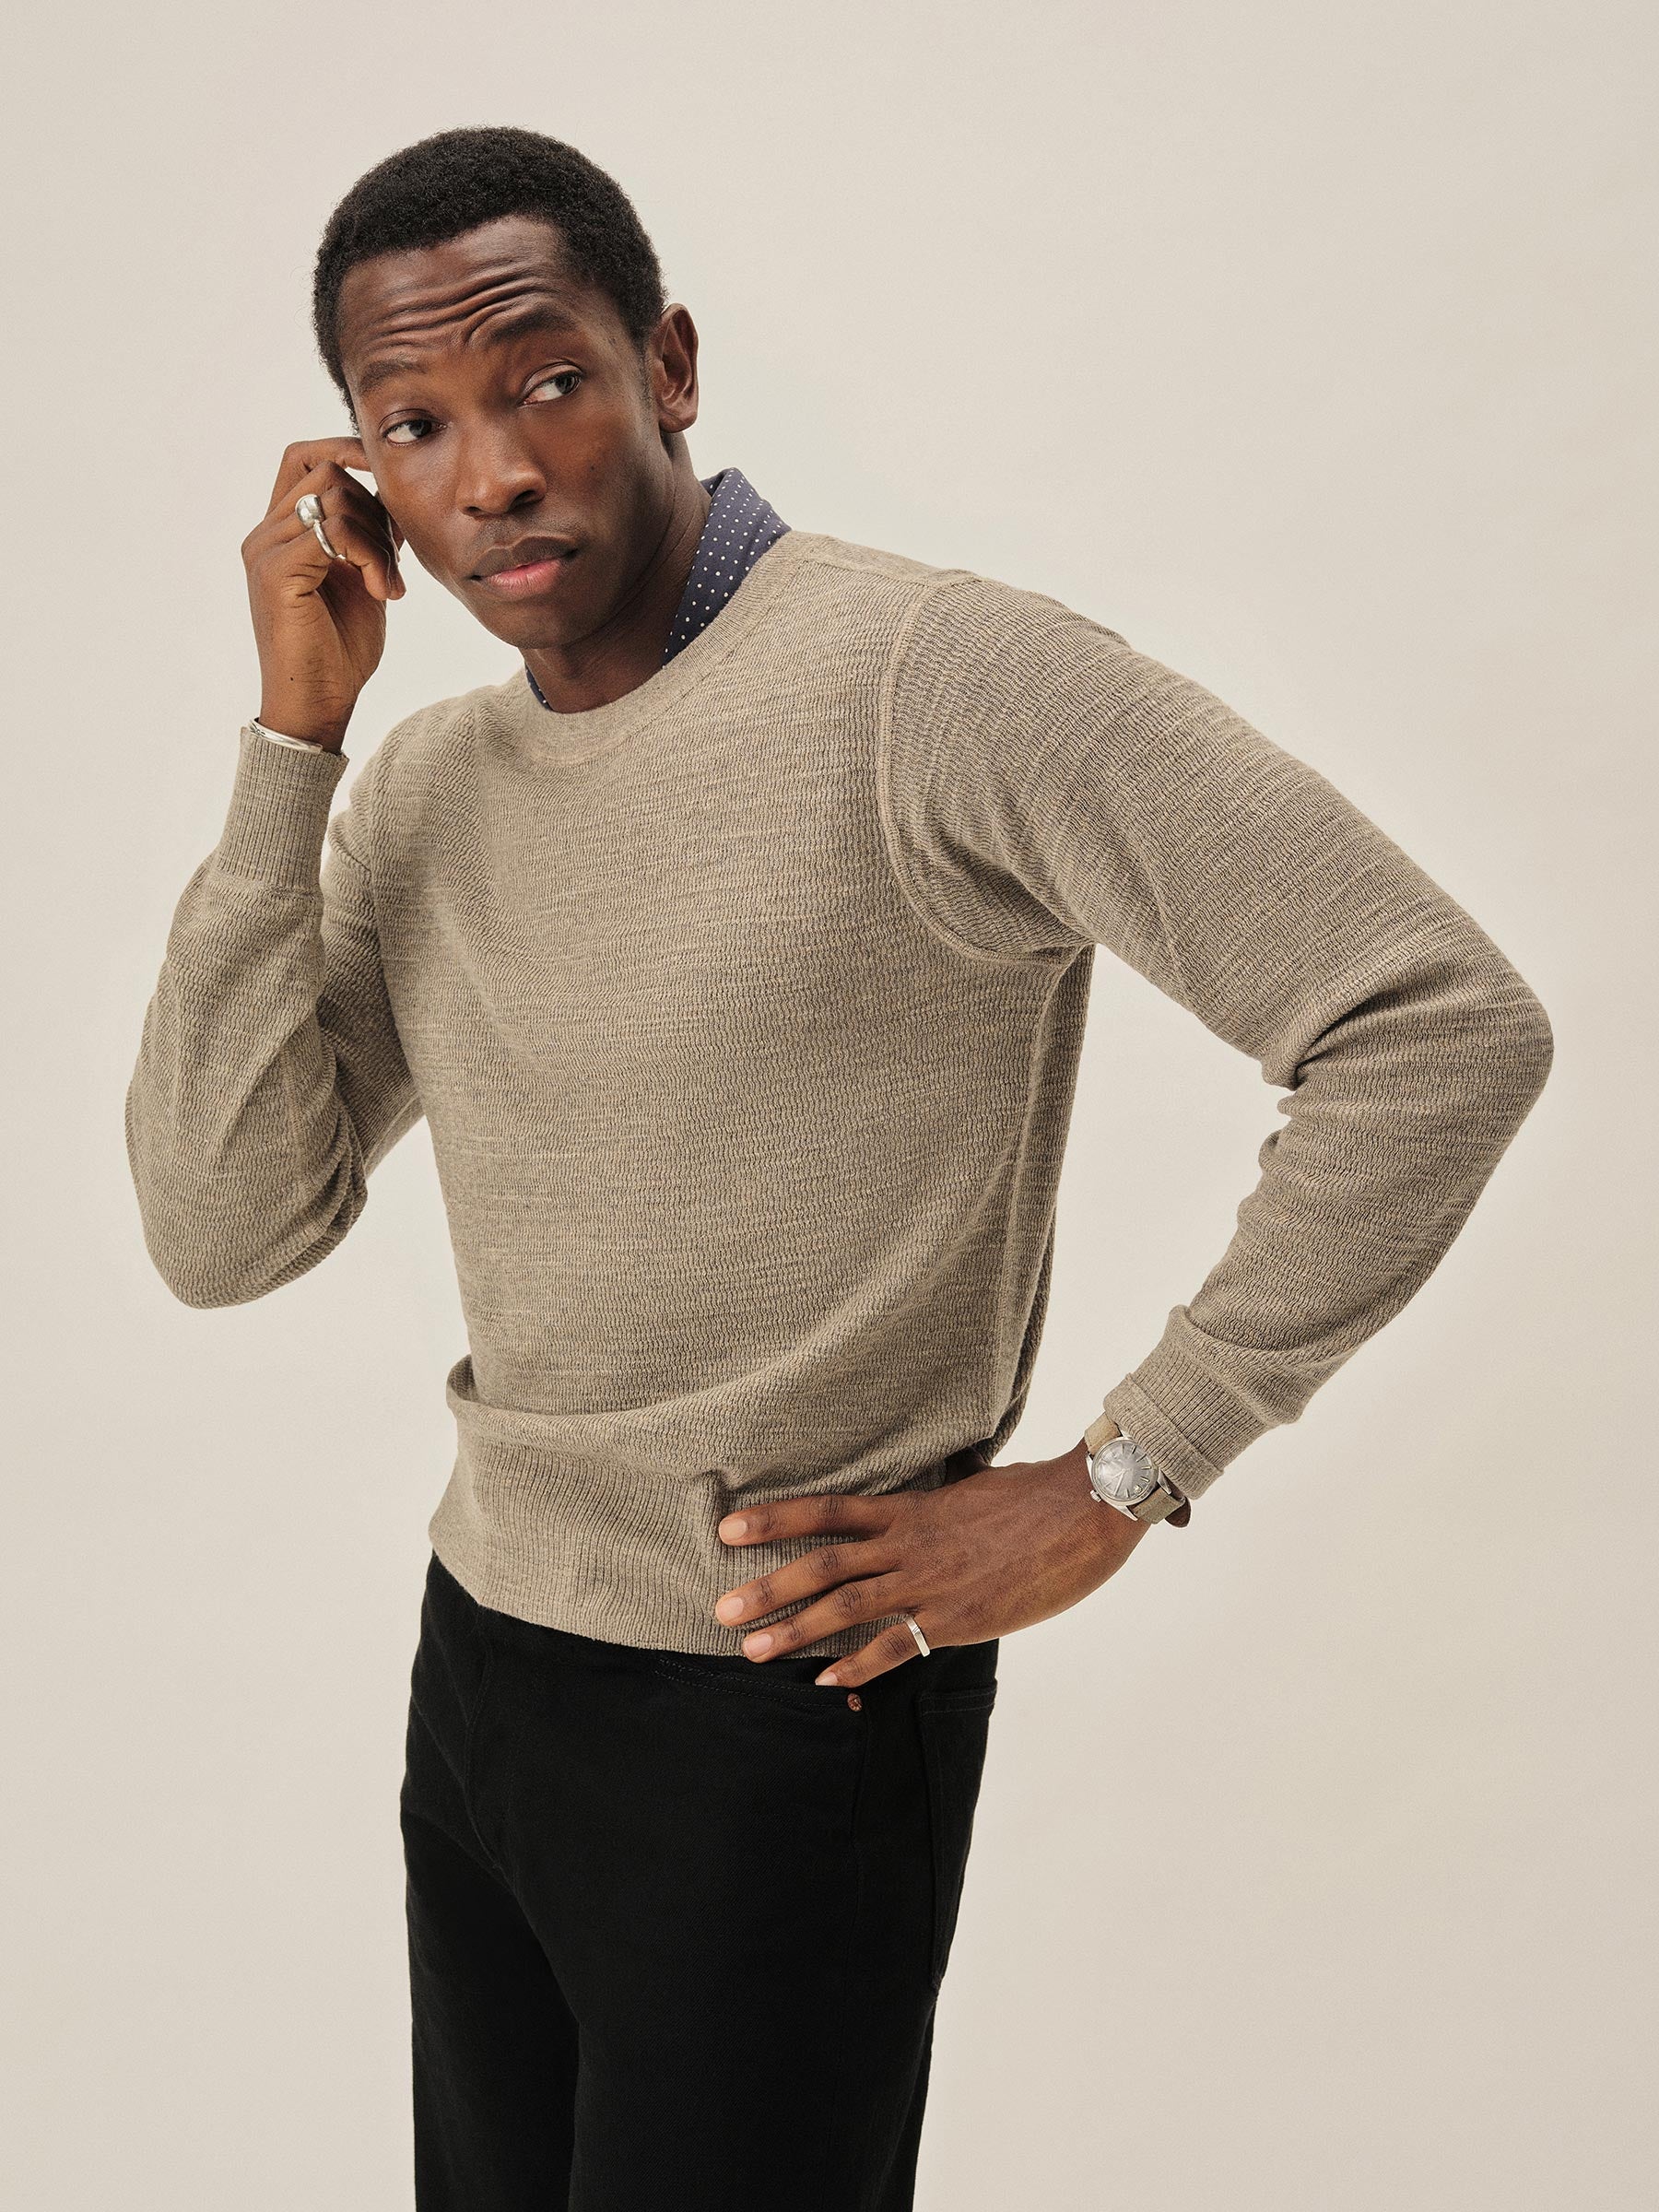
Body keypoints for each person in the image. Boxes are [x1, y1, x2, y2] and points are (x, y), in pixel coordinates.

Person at [124, 124, 1554, 2210]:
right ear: (359, 479)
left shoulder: (931, 682)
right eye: (414, 424)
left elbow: (1434, 1021)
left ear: (668, 366)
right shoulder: (425, 785)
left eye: (546, 379)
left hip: (780, 1711)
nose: (493, 473)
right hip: (485, 1670)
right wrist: (293, 748)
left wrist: (1128, 1472)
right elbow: (220, 1226)